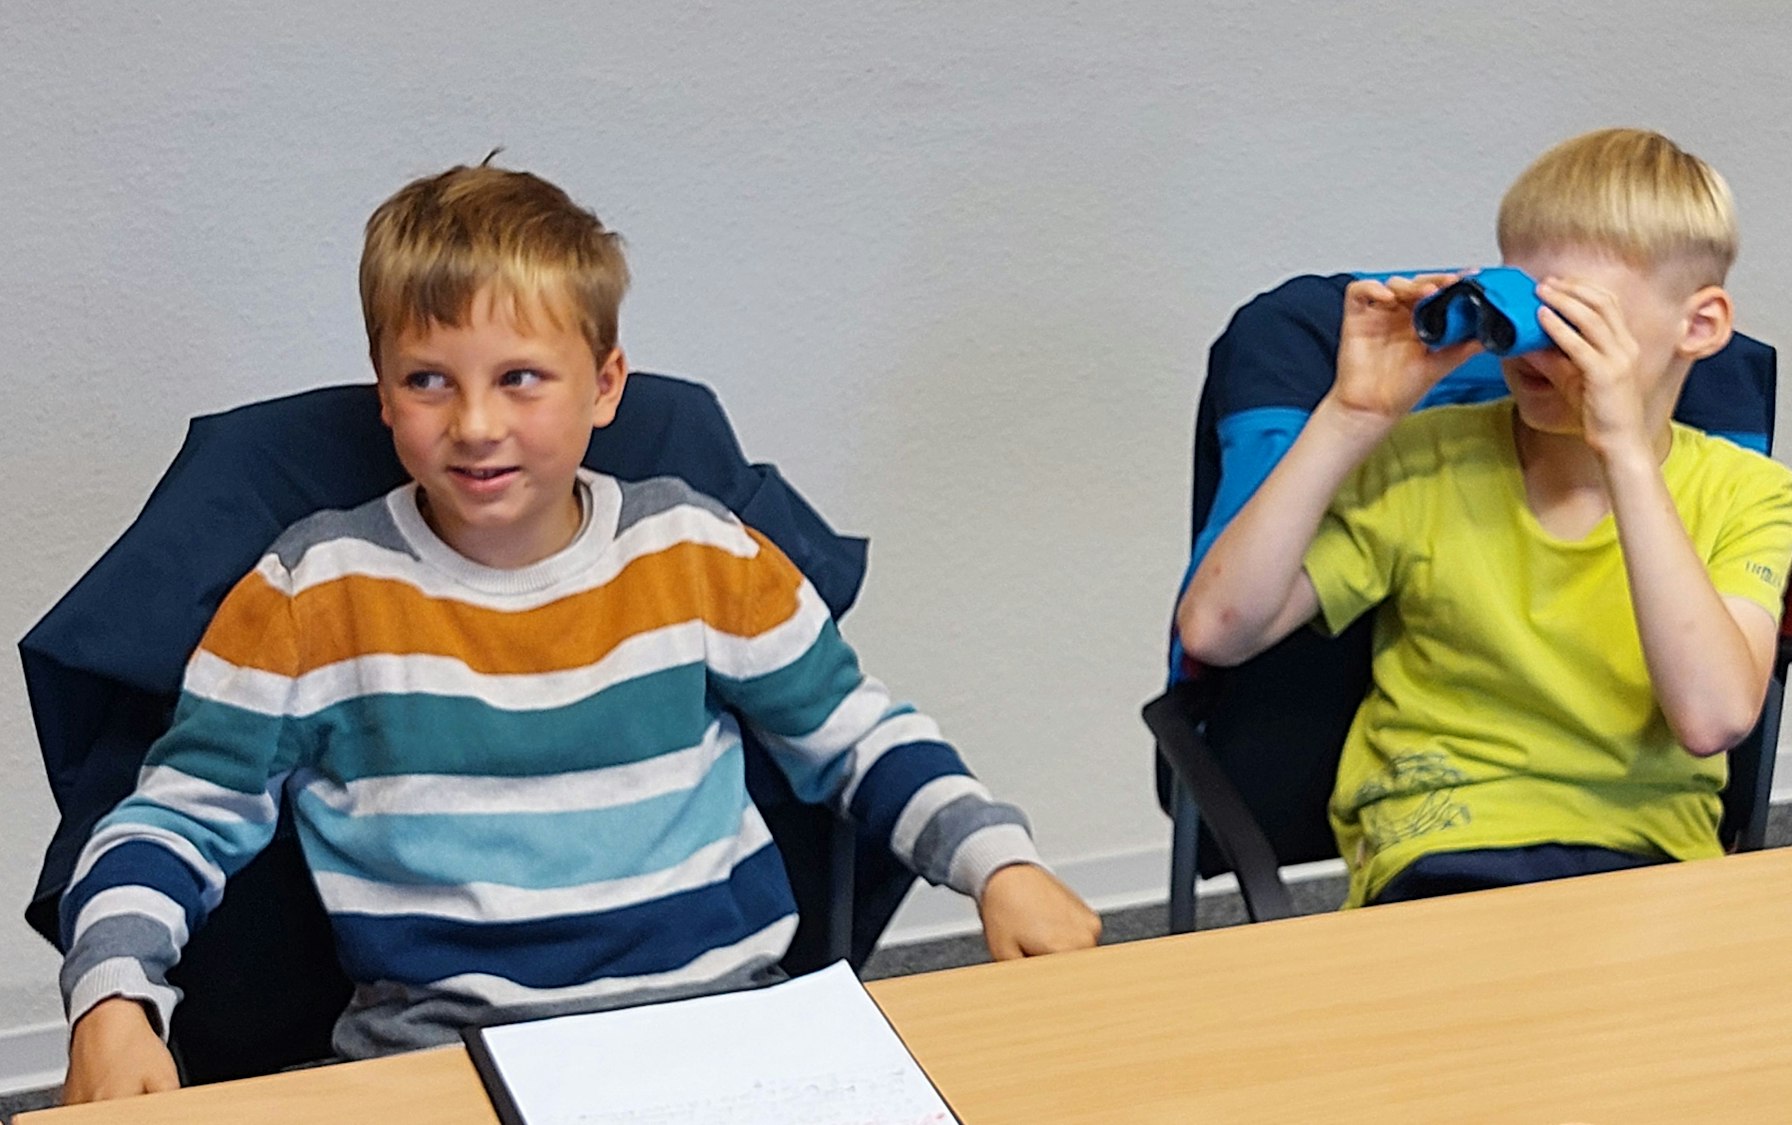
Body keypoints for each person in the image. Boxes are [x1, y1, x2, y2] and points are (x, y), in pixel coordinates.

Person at [59, 161, 1101, 1102]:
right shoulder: (307, 591)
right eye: (428, 379)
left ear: (604, 385)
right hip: (444, 1058)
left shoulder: (698, 552)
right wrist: (110, 1001)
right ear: (383, 392)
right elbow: (173, 823)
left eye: (520, 377)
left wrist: (999, 864)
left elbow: (857, 737)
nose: (474, 422)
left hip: (727, 1029)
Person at [1176, 128, 1792, 909]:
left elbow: (1710, 718)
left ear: (1699, 326)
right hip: (1444, 847)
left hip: (1651, 851)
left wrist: (1626, 457)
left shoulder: (1750, 491)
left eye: (1577, 317)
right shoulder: (1427, 460)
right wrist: (1353, 414)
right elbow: (1216, 630)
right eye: (1522, 304)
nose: (1533, 348)